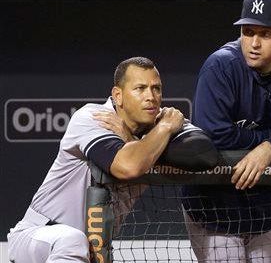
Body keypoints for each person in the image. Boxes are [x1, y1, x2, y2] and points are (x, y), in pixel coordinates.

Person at [7, 57, 218, 262]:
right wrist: (161, 133)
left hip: (91, 250)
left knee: (78, 244)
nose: (151, 97)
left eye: (156, 88)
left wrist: (135, 139)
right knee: (72, 240)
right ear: (118, 95)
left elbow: (205, 154)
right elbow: (128, 166)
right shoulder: (93, 118)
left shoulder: (164, 123)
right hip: (41, 236)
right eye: (140, 88)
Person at [180, 0, 271, 262]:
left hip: (262, 205)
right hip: (213, 203)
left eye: (265, 34)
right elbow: (214, 135)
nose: (254, 43)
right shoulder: (221, 65)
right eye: (247, 32)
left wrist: (270, 147)